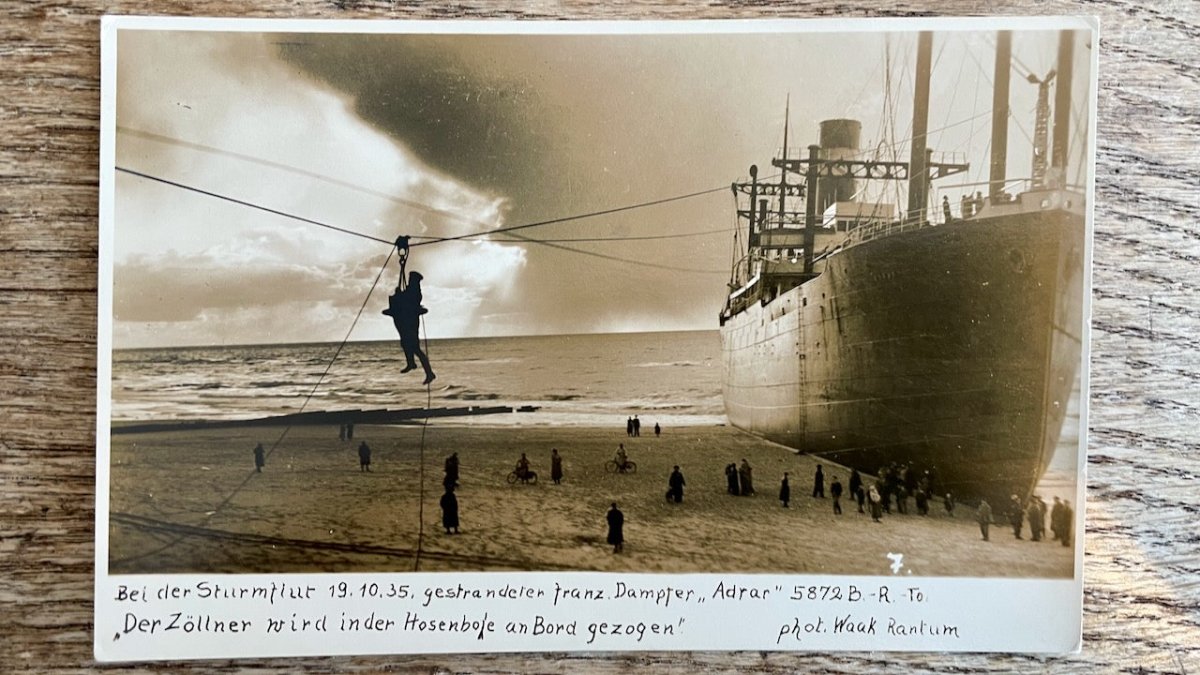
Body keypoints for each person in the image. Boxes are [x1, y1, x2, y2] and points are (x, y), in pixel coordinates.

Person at [384, 269, 436, 385]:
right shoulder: (412, 291)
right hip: (405, 320)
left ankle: (429, 372)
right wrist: (399, 293)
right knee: (406, 344)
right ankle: (411, 363)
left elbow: (408, 300)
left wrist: (399, 294)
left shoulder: (415, 292)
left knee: (415, 348)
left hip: (410, 323)